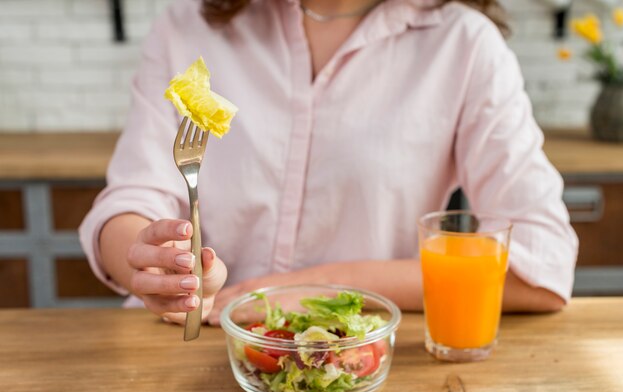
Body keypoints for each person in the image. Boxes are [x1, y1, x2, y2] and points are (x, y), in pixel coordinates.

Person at [79, 0, 579, 326]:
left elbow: (541, 265)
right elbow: (130, 201)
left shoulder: (463, 45)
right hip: (183, 343)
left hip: (350, 352)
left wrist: (301, 290)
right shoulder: (184, 26)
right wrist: (156, 269)